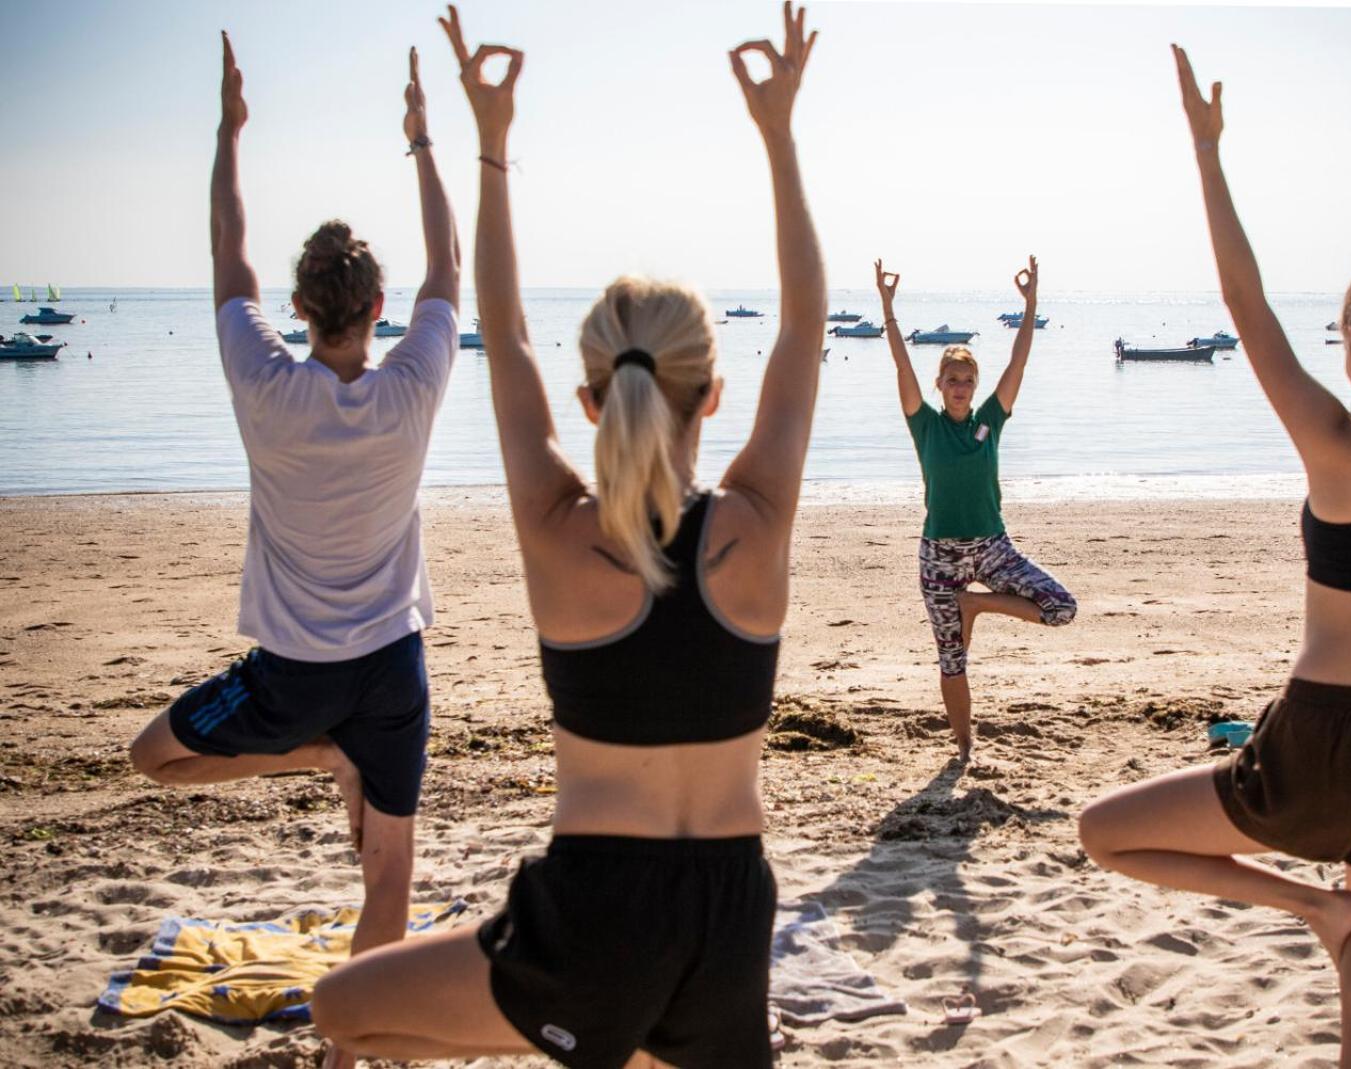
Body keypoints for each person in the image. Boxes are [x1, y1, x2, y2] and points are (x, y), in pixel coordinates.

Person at [310, 5, 824, 1066]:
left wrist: (491, 146)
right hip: (734, 909)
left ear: (591, 403)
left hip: (596, 908)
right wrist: (778, 134)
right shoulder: (755, 529)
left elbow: (497, 335)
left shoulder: (558, 532)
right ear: (711, 397)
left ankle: (601, 1035)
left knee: (343, 1007)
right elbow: (806, 331)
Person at [1077, 50, 1351, 1069]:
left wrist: (1206, 150)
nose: (1336, 348)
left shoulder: (1347, 454)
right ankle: (1320, 915)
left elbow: (1243, 302)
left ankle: (1303, 904)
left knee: (1105, 831)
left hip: (1322, 745)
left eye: (1340, 333)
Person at [126, 34, 459, 1069]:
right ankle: (345, 1056)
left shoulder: (262, 380)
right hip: (393, 674)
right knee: (389, 885)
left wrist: (228, 132)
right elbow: (451, 264)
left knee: (151, 758)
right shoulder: (413, 386)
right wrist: (423, 140)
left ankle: (319, 757)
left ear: (304, 307)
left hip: (292, 677)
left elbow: (228, 251)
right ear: (374, 308)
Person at [875, 256, 1077, 763]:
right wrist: (887, 307)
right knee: (952, 659)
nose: (961, 387)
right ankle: (965, 747)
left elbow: (1018, 364)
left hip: (992, 549)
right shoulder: (925, 424)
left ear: (974, 385)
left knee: (1061, 608)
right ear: (940, 385)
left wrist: (1030, 306)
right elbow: (902, 365)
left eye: (968, 379)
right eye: (953, 380)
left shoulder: (990, 419)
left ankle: (978, 604)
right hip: (939, 558)